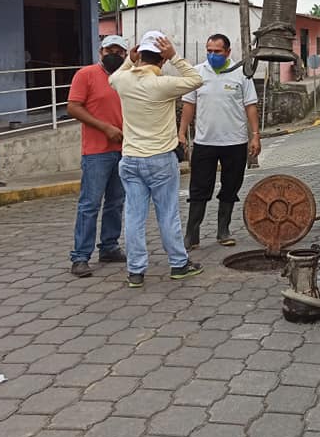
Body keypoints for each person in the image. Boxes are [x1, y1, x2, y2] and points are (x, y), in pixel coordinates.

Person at [109, 31, 204, 288]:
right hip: (160, 159)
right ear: (162, 59)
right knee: (168, 214)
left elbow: (113, 77)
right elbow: (196, 79)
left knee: (134, 217)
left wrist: (129, 61)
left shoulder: (122, 81)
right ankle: (178, 264)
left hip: (131, 159)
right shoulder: (164, 84)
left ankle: (135, 271)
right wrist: (175, 56)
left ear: (140, 54)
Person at [178, 33, 261, 249]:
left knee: (231, 187)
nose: (212, 55)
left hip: (235, 142)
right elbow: (188, 105)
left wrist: (255, 135)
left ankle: (223, 230)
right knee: (198, 189)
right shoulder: (197, 73)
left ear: (228, 52)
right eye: (209, 51)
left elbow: (250, 106)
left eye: (217, 51)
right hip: (205, 142)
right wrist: (181, 132)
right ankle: (192, 234)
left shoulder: (241, 73)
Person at [66, 35, 130, 278]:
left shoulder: (127, 76)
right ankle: (80, 257)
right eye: (109, 50)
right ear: (100, 52)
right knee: (90, 204)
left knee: (116, 202)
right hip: (96, 152)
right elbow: (73, 107)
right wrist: (105, 128)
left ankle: (109, 247)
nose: (114, 54)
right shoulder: (86, 75)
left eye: (119, 51)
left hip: (124, 150)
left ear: (125, 54)